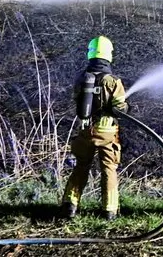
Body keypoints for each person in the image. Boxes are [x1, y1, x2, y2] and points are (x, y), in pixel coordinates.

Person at [60, 36, 128, 220]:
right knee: (109, 169)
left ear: (91, 53)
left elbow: (76, 100)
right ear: (109, 54)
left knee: (81, 166)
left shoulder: (81, 78)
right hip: (107, 132)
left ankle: (70, 206)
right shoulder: (113, 81)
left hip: (85, 131)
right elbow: (121, 107)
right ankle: (110, 210)